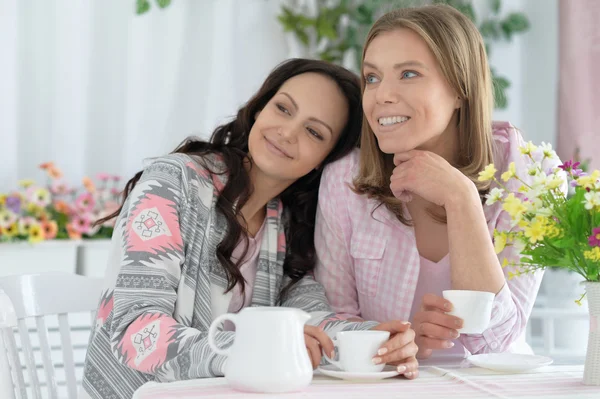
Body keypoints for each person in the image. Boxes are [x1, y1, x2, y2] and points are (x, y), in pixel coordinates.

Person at [81, 58, 418, 399]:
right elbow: (136, 332)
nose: (287, 132)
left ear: (326, 159)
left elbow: (312, 317)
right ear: (259, 110)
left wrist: (373, 340)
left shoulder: (284, 222)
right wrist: (255, 347)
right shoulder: (173, 183)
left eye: (314, 132)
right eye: (283, 109)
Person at [314, 4, 564, 365]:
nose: (381, 95)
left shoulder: (531, 174)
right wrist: (395, 339)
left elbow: (498, 342)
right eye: (371, 77)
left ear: (461, 88)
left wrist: (460, 197)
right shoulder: (345, 180)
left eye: (409, 74)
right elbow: (333, 321)